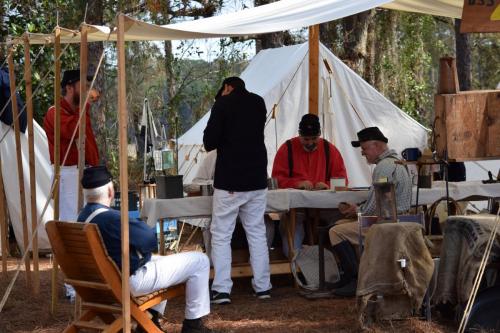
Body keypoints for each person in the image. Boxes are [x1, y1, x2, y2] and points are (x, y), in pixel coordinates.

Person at [78, 165, 215, 333]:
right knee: (200, 260)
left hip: (102, 282)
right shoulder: (111, 219)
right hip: (128, 282)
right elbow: (149, 239)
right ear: (110, 192)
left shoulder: (81, 218)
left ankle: (149, 321)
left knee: (160, 261)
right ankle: (193, 326)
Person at [203, 76, 272, 304]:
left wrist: (218, 104)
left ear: (227, 88)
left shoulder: (222, 104)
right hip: (257, 178)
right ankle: (263, 287)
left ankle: (222, 289)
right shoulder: (259, 102)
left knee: (222, 234)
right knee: (257, 232)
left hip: (231, 179)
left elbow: (209, 142)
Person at [328, 126, 412, 297]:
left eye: (365, 149)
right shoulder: (397, 162)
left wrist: (357, 210)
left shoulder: (384, 167)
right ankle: (357, 275)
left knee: (336, 231)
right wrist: (360, 208)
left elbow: (376, 206)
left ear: (377, 146)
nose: (363, 153)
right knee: (339, 225)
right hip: (397, 218)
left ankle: (357, 280)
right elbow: (381, 198)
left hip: (388, 223)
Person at [271, 113, 348, 257]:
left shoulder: (329, 149)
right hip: (295, 210)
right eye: (306, 139)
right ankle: (303, 267)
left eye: (314, 139)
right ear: (299, 134)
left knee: (344, 221)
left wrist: (327, 185)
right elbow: (276, 180)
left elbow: (342, 180)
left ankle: (337, 262)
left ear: (319, 134)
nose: (310, 143)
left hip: (325, 208)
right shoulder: (286, 149)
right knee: (291, 252)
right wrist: (297, 184)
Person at [184, 150, 275, 262]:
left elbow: (263, 181)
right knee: (212, 228)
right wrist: (215, 184)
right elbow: (196, 183)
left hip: (249, 210)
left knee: (267, 226)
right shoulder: (213, 156)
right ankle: (214, 267)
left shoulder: (254, 154)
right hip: (221, 209)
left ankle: (258, 264)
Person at [43, 69, 100, 221]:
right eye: (83, 87)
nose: (87, 90)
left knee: (90, 221)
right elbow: (72, 131)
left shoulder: (79, 112)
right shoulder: (54, 112)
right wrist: (84, 106)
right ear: (69, 88)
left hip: (85, 173)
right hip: (68, 175)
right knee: (72, 221)